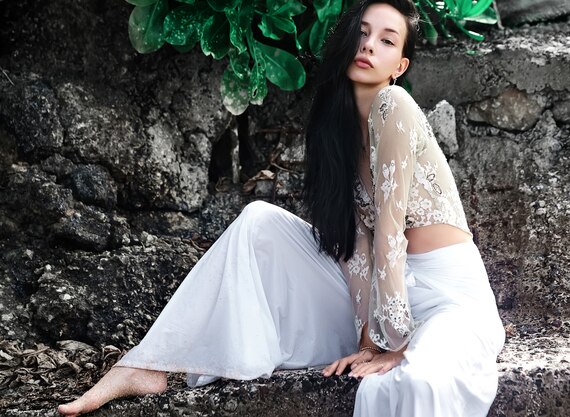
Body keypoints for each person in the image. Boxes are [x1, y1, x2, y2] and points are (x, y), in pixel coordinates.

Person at [58, 1, 505, 416]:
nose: (369, 45)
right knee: (259, 221)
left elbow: (390, 232)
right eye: (362, 32)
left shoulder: (395, 105)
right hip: (385, 297)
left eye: (387, 40)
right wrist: (367, 340)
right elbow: (356, 247)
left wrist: (392, 343)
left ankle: (407, 347)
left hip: (448, 303)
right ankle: (152, 364)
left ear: (400, 67)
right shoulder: (339, 129)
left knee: (416, 382)